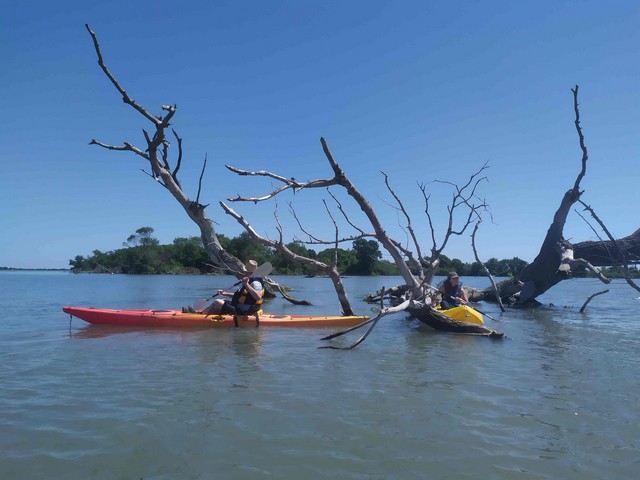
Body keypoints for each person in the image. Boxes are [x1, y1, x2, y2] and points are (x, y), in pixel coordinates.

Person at [199, 260, 265, 316]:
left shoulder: (256, 283)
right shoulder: (249, 280)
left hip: (245, 311)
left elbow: (258, 296)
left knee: (217, 302)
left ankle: (200, 317)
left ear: (249, 272)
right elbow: (240, 296)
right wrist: (225, 293)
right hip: (239, 307)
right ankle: (202, 314)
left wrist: (246, 284)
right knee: (222, 300)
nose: (243, 273)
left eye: (245, 272)